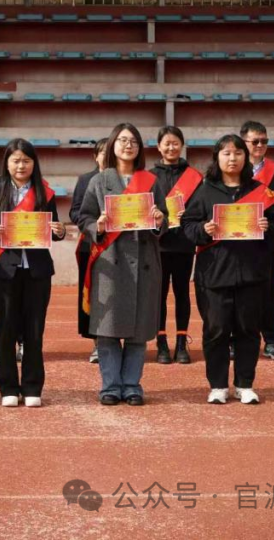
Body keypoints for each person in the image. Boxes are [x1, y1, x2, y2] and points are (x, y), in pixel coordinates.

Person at [182, 134, 274, 405]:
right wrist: (203, 229)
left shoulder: (260, 190)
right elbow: (188, 226)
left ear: (245, 157)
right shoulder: (204, 191)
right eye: (226, 153)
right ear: (217, 157)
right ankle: (217, 385)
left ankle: (244, 384)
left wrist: (267, 227)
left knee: (248, 330)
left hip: (252, 272)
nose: (232, 158)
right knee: (215, 330)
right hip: (214, 274)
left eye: (238, 153)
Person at [78, 123, 167, 406]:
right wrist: (97, 225)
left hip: (144, 262)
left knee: (138, 332)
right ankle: (110, 386)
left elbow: (163, 219)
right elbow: (83, 217)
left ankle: (132, 385)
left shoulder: (151, 181)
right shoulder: (99, 181)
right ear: (113, 145)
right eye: (123, 140)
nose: (128, 146)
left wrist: (159, 220)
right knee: (107, 331)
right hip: (110, 263)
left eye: (134, 142)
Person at [0, 139, 67, 407]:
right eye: (16, 160)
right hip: (5, 269)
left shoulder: (44, 191)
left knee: (34, 331)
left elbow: (54, 228)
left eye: (26, 161)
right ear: (6, 163)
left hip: (37, 270)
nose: (21, 165)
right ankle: (8, 387)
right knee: (5, 331)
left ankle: (32, 387)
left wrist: (60, 231)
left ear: (34, 163)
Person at [240, 120, 274, 361]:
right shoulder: (232, 166)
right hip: (239, 242)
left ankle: (272, 341)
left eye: (264, 141)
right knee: (238, 295)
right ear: (244, 142)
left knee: (268, 295)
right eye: (255, 141)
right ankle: (237, 341)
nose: (260, 145)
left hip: (267, 242)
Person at [150, 126, 202, 365]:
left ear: (182, 145)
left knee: (182, 292)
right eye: (166, 143)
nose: (171, 147)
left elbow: (200, 207)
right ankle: (161, 342)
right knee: (158, 294)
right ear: (159, 146)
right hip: (158, 244)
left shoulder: (194, 176)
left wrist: (188, 215)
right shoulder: (149, 176)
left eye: (175, 143)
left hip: (184, 243)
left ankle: (181, 343)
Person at [71, 138, 107, 364]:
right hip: (90, 246)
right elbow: (75, 211)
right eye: (102, 152)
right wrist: (93, 224)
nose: (106, 156)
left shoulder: (125, 181)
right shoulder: (85, 180)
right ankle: (97, 344)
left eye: (110, 151)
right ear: (95, 156)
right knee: (92, 296)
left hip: (119, 247)